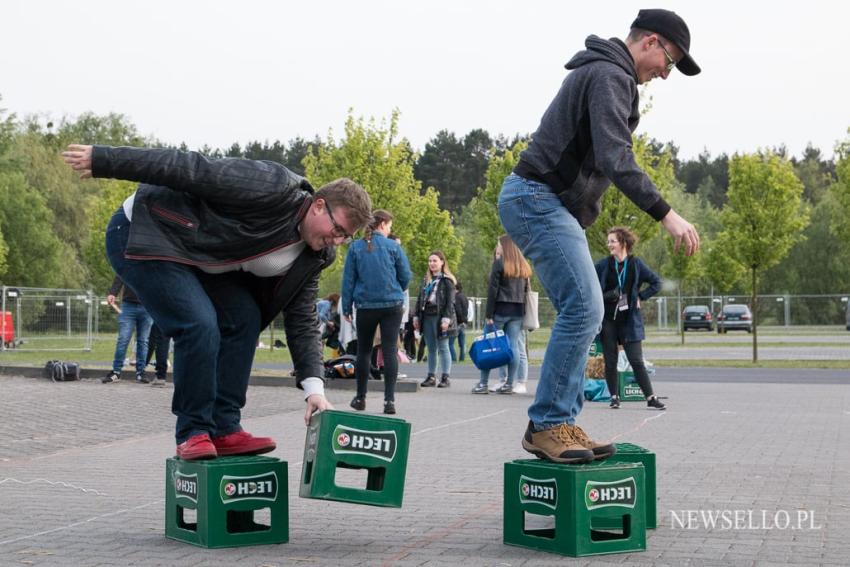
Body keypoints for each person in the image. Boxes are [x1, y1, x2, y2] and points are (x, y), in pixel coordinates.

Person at [62, 144, 372, 460]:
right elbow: (190, 167)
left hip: (200, 260)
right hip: (146, 230)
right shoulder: (272, 186)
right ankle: (193, 431)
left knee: (245, 318)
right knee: (198, 323)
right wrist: (105, 160)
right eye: (337, 230)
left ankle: (224, 428)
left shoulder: (317, 255)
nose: (337, 241)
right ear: (319, 205)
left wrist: (314, 391)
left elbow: (302, 319)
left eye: (345, 237)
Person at [498, 8, 701, 463]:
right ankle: (549, 423)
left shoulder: (604, 73)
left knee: (584, 308)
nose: (665, 75)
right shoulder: (613, 75)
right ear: (649, 42)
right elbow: (615, 157)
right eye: (669, 61)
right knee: (586, 306)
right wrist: (666, 214)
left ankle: (562, 422)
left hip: (542, 200)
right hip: (535, 197)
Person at [341, 210, 412, 414]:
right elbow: (405, 275)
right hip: (392, 304)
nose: (390, 229)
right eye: (389, 225)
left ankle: (360, 397)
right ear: (382, 224)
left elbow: (348, 280)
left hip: (365, 306)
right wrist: (398, 287)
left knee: (364, 351)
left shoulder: (356, 248)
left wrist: (347, 307)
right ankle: (389, 401)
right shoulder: (393, 247)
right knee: (390, 350)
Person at [596, 227, 665, 410]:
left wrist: (641, 297)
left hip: (629, 321)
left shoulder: (636, 264)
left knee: (636, 360)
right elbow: (592, 288)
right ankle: (614, 397)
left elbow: (657, 283)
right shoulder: (604, 265)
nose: (609, 244)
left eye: (612, 241)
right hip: (609, 320)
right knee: (610, 360)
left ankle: (650, 397)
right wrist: (607, 295)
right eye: (608, 241)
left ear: (623, 243)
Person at [471, 235, 531, 394]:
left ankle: (483, 383)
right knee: (513, 347)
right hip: (517, 311)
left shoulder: (499, 264)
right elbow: (526, 292)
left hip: (500, 309)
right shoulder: (523, 266)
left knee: (489, 344)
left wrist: (488, 313)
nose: (498, 247)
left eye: (499, 245)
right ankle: (509, 384)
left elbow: (493, 290)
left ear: (505, 247)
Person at [412, 251, 457, 388]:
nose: (432, 263)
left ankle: (445, 377)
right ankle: (431, 376)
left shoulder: (447, 280)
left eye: (435, 261)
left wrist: (446, 319)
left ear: (442, 262)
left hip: (440, 316)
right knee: (431, 348)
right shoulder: (426, 280)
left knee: (443, 347)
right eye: (430, 261)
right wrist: (416, 316)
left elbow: (450, 302)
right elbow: (420, 299)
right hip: (427, 316)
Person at [104, 275, 153, 384]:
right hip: (128, 306)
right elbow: (120, 274)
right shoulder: (128, 258)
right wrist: (113, 293)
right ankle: (116, 372)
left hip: (147, 306)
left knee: (143, 341)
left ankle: (141, 373)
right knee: (123, 339)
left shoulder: (152, 260)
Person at [448, 281, 468, 362]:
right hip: (464, 322)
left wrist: (459, 320)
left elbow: (458, 310)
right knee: (462, 343)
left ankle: (453, 358)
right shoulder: (464, 296)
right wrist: (464, 321)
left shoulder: (456, 297)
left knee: (450, 343)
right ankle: (462, 358)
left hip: (457, 323)